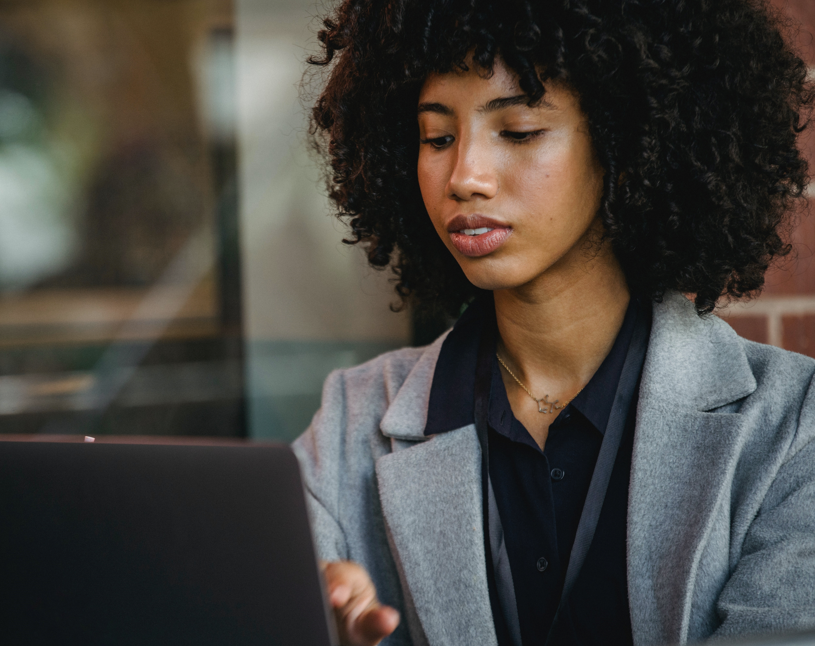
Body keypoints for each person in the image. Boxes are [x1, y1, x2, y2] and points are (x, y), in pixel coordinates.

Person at [292, 0, 815, 645]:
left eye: (518, 132)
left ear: (625, 143)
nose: (465, 177)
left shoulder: (794, 427)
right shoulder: (352, 420)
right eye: (437, 137)